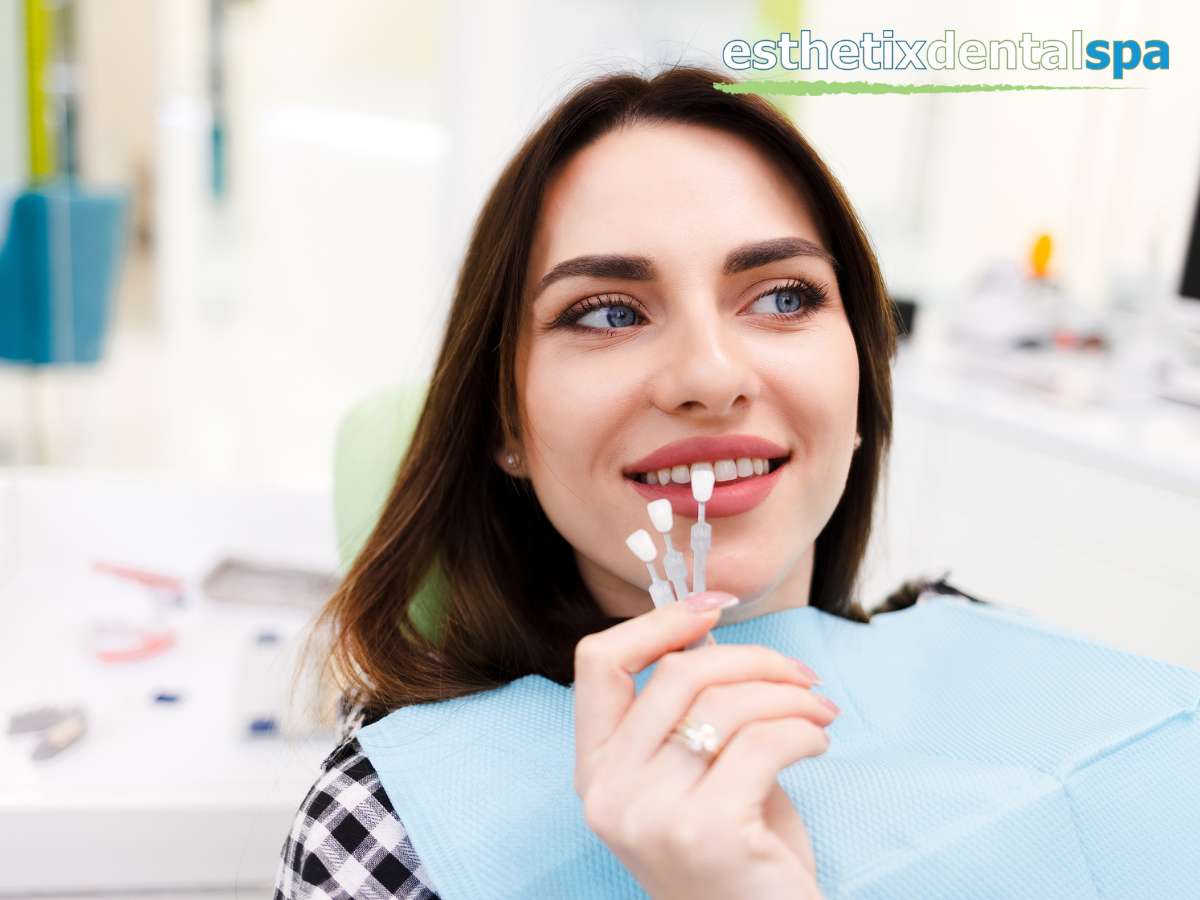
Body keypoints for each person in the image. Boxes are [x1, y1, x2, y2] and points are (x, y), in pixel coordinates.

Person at [273, 62, 945, 899]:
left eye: (782, 297)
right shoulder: (385, 830)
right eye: (609, 312)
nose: (708, 374)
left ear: (860, 383)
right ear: (506, 423)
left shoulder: (997, 673)